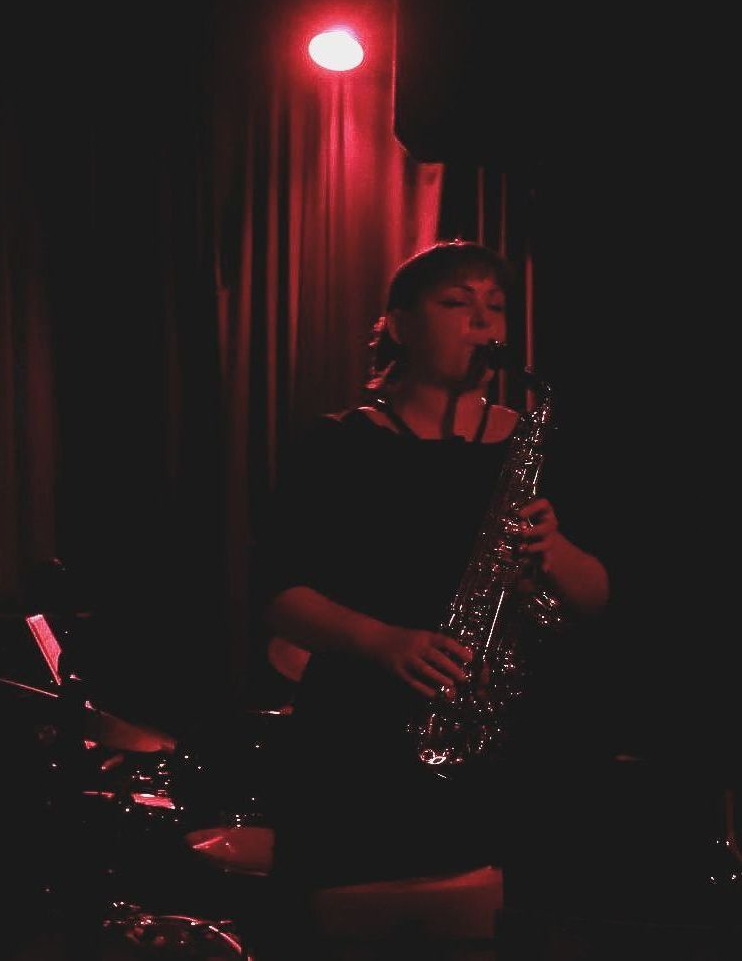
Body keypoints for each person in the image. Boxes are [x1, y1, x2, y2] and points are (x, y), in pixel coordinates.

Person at [254, 240, 611, 943]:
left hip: (491, 758)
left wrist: (554, 549)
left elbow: (596, 595)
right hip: (355, 751)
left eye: (494, 307)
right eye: (455, 302)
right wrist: (382, 641)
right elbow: (277, 594)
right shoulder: (337, 444)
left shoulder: (529, 442)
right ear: (398, 324)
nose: (481, 322)